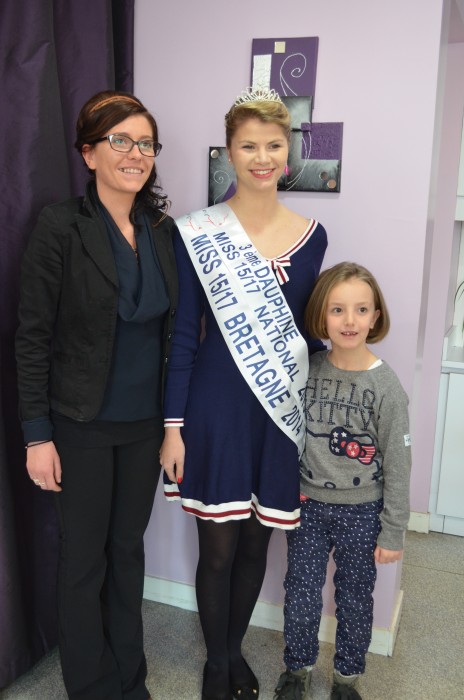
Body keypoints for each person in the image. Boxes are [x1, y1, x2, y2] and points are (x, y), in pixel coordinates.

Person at [159, 87, 328, 700]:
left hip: (279, 410)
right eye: (248, 145)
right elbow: (182, 333)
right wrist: (173, 426)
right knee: (220, 547)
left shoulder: (313, 236)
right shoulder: (197, 232)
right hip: (214, 407)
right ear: (228, 153)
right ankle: (219, 662)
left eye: (273, 146)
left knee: (259, 540)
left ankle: (232, 653)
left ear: (289, 154)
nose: (261, 157)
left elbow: (309, 335)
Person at [15, 90, 178, 700]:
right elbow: (32, 337)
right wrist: (38, 434)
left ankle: (129, 683)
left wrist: (173, 428)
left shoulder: (162, 230)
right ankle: (91, 687)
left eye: (145, 143)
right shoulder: (60, 226)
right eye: (120, 141)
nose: (135, 154)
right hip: (79, 424)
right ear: (88, 153)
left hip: (144, 426)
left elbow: (175, 336)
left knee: (127, 554)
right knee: (83, 565)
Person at [273, 262, 412, 700]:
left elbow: (398, 464)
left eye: (360, 309)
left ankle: (347, 679)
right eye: (337, 310)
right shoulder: (307, 369)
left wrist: (393, 530)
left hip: (363, 511)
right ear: (321, 316)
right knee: (300, 593)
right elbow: (287, 434)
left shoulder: (386, 387)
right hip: (308, 507)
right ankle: (297, 670)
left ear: (375, 316)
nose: (349, 321)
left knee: (354, 599)